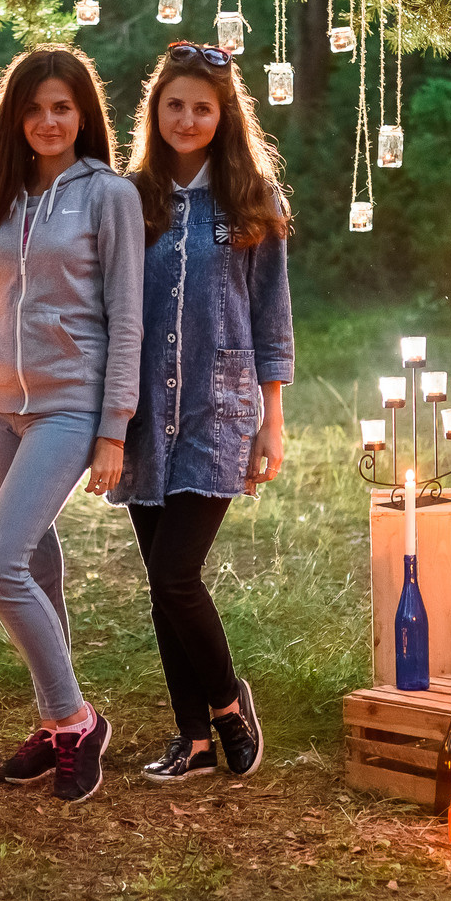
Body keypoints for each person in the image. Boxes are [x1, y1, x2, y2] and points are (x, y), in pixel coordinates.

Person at [0, 45, 144, 804]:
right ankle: (57, 721)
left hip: (69, 403)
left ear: (84, 113)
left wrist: (114, 427)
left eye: (62, 107)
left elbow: (127, 318)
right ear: (15, 120)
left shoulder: (108, 196)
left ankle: (75, 718)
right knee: (38, 562)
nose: (49, 120)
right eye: (34, 109)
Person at [108, 42, 294, 782]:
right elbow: (112, 310)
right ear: (156, 110)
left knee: (177, 573)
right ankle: (188, 738)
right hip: (145, 416)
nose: (187, 118)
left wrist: (269, 420)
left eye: (202, 108)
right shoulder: (131, 199)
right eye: (175, 104)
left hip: (220, 413)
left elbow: (270, 316)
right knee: (161, 577)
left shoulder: (253, 201)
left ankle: (225, 703)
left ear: (224, 116)